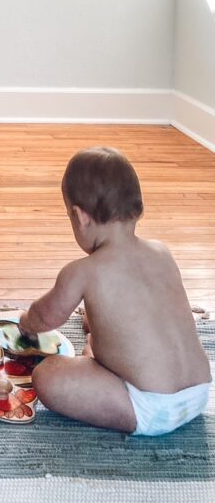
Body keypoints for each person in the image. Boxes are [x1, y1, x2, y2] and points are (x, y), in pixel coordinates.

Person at [19, 147, 211, 435]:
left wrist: (27, 322)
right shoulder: (161, 252)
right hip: (199, 392)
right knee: (97, 321)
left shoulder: (83, 271)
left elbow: (47, 317)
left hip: (149, 406)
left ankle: (103, 373)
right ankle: (100, 355)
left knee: (47, 375)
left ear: (80, 217)